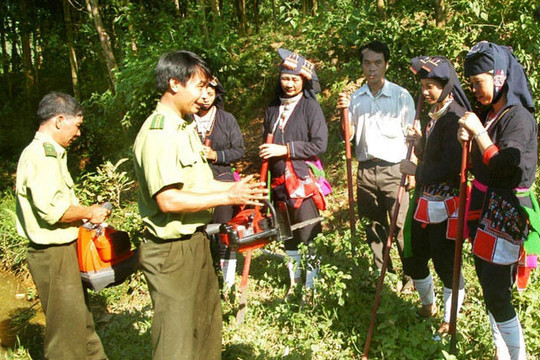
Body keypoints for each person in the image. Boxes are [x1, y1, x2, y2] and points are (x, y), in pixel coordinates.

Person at [133, 50, 267, 360]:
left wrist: (238, 189)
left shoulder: (184, 128)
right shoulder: (159, 134)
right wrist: (227, 197)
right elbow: (168, 200)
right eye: (199, 85)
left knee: (206, 326)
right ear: (174, 84)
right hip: (169, 252)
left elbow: (198, 183)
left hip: (194, 241)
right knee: (176, 339)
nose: (205, 94)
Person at [15, 92, 110, 360]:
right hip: (52, 254)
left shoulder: (52, 154)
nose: (78, 133)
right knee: (65, 333)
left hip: (62, 250)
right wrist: (89, 212)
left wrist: (84, 215)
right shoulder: (41, 155)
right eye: (77, 125)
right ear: (59, 120)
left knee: (81, 321)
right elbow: (53, 211)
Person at [458, 41, 537, 360]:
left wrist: (478, 134)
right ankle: (501, 354)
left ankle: (518, 357)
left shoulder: (518, 117)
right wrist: (467, 137)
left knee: (497, 293)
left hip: (506, 213)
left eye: (479, 83)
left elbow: (508, 166)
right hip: (484, 210)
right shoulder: (491, 113)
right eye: (472, 84)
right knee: (491, 291)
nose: (475, 90)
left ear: (500, 76)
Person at [399, 56, 471, 334]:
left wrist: (416, 171)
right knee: (414, 255)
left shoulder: (454, 116)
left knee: (445, 262)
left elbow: (450, 165)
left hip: (446, 203)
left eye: (431, 86)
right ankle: (428, 305)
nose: (425, 92)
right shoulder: (436, 113)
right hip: (425, 200)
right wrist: (419, 144)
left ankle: (449, 319)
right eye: (423, 86)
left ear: (446, 85)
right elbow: (431, 156)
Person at [337, 40, 415, 290]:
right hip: (366, 171)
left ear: (386, 65)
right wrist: (342, 111)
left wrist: (413, 166)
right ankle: (383, 274)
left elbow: (412, 135)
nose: (372, 68)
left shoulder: (401, 95)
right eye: (367, 63)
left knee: (400, 225)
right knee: (373, 226)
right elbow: (347, 136)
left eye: (377, 63)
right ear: (362, 65)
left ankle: (412, 277)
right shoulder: (355, 99)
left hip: (395, 170)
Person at [259, 48, 328, 296]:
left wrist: (284, 149)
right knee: (287, 234)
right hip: (277, 182)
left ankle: (312, 288)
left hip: (302, 180)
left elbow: (319, 144)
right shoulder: (273, 108)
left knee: (308, 232)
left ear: (304, 81)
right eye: (285, 78)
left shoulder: (310, 107)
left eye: (295, 79)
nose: (289, 84)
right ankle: (294, 282)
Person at [194, 76, 245, 290]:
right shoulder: (185, 120)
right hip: (194, 182)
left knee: (224, 228)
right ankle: (204, 276)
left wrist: (216, 154)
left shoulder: (226, 119)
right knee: (199, 229)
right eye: (201, 92)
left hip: (222, 178)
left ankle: (228, 282)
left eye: (210, 93)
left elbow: (239, 150)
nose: (205, 98)